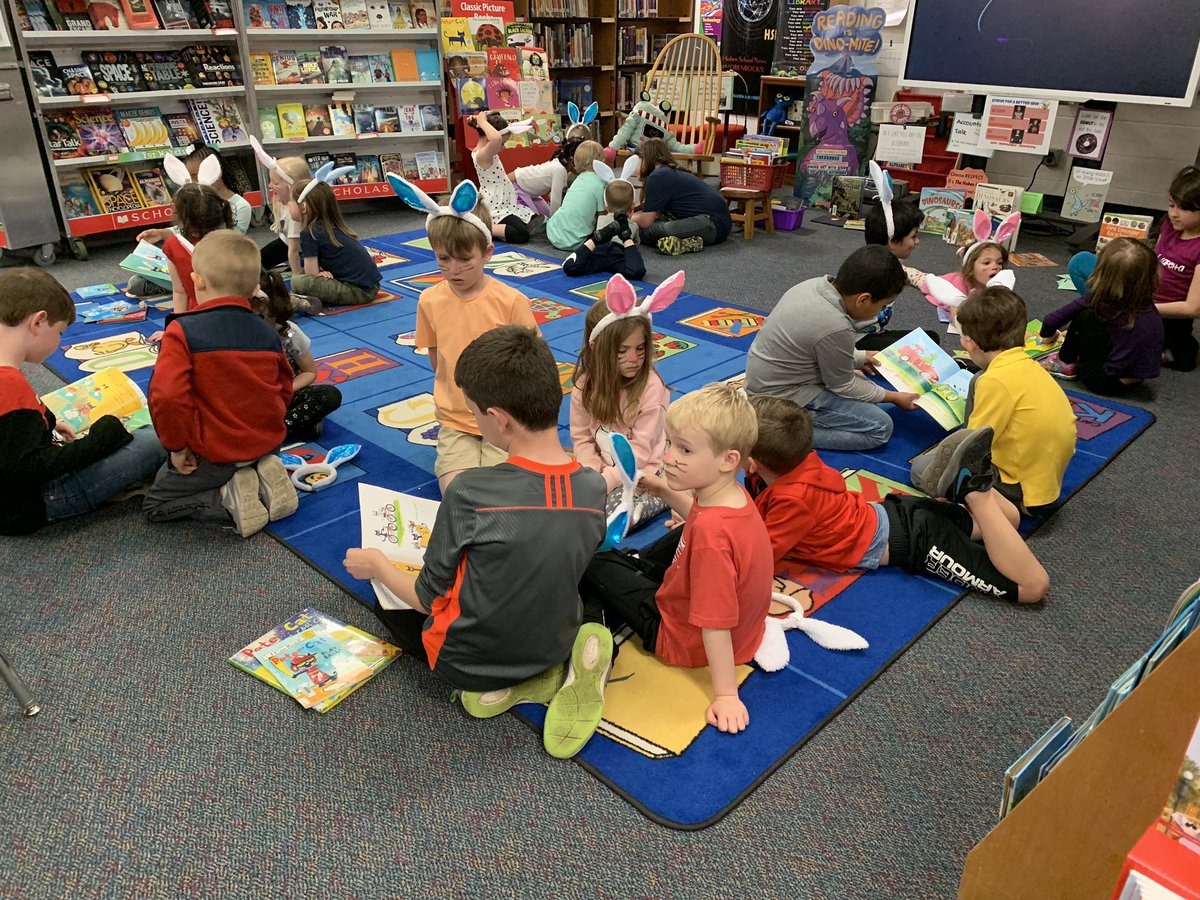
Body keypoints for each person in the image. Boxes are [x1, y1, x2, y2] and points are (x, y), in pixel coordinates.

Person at [343, 326, 611, 760]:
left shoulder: (469, 492)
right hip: (551, 643)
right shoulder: (594, 487)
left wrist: (376, 565)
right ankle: (559, 666)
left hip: (466, 663)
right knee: (585, 590)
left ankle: (501, 683)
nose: (473, 423)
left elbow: (427, 599)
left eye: (474, 414)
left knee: (386, 601)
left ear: (500, 418)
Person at [579, 383, 774, 734]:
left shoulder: (712, 542)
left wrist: (726, 695)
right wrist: (664, 490)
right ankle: (627, 570)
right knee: (656, 545)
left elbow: (715, 623)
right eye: (668, 443)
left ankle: (595, 629)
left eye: (684, 449)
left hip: (676, 637)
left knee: (588, 558)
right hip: (718, 612)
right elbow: (697, 522)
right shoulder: (728, 494)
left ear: (728, 459)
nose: (668, 457)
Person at [746, 395, 1049, 604]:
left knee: (1032, 587)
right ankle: (963, 487)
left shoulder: (791, 501)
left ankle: (974, 490)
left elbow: (757, 558)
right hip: (899, 511)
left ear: (751, 461)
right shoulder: (796, 461)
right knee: (1008, 520)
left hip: (917, 541)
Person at [142, 231, 298, 538]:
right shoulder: (267, 331)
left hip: (214, 453)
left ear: (197, 281)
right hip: (267, 442)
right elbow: (284, 387)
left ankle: (227, 498)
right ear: (255, 287)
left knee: (155, 505)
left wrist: (176, 447)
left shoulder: (181, 330)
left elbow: (167, 398)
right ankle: (260, 468)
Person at [0, 268, 165, 535]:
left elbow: (11, 433)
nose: (59, 341)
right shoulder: (8, 384)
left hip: (15, 496)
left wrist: (48, 422)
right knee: (154, 440)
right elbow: (27, 469)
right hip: (32, 504)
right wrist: (100, 439)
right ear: (38, 322)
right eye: (60, 332)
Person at [912, 286, 1076, 514]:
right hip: (1045, 483)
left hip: (1019, 490)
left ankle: (980, 502)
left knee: (920, 469)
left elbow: (975, 440)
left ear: (968, 343)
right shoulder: (1029, 366)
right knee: (977, 378)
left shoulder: (995, 382)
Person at [415, 190, 537, 492]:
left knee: (501, 494)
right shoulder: (429, 300)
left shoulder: (511, 301)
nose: (453, 269)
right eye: (443, 258)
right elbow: (436, 357)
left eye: (464, 259)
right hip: (456, 420)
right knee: (457, 494)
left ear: (487, 252)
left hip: (505, 419)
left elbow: (533, 361)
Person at [744, 245, 919, 451]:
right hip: (778, 402)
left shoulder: (814, 285)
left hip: (766, 384)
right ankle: (775, 436)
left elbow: (815, 348)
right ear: (863, 299)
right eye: (882, 307)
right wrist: (895, 397)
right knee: (880, 427)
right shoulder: (836, 325)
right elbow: (844, 386)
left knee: (865, 387)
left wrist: (861, 357)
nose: (880, 313)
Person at [570, 272, 679, 531]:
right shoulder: (585, 386)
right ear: (598, 349)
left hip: (645, 473)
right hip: (604, 470)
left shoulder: (650, 387)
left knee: (604, 524)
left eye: (640, 349)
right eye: (623, 351)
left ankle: (672, 494)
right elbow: (582, 438)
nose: (634, 358)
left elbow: (640, 454)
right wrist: (590, 468)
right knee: (561, 504)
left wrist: (603, 482)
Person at [1038, 237, 1163, 394]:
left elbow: (1052, 320)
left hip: (1104, 382)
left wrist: (1048, 336)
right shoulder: (1147, 304)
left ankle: (1064, 364)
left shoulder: (1099, 300)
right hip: (1135, 382)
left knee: (1085, 317)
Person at [251, 269, 343, 441]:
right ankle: (297, 425)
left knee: (328, 395)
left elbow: (309, 372)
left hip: (283, 395)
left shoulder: (288, 333)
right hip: (251, 401)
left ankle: (274, 432)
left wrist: (285, 390)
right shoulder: (235, 334)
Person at [288, 178, 382, 308]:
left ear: (303, 207)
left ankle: (305, 302)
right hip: (370, 287)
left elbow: (310, 277)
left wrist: (316, 274)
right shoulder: (328, 227)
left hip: (359, 291)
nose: (288, 205)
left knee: (298, 281)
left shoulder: (309, 232)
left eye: (291, 202)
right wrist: (320, 272)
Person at [631, 138, 732, 256]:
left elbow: (646, 221)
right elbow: (656, 214)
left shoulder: (657, 176)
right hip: (715, 224)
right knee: (656, 225)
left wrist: (628, 217)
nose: (635, 167)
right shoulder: (666, 173)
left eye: (639, 160)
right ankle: (687, 243)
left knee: (652, 230)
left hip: (712, 223)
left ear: (646, 158)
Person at [562, 170, 646, 280]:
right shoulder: (634, 225)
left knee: (570, 267)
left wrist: (596, 240)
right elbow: (635, 250)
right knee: (636, 271)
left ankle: (597, 238)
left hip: (600, 250)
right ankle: (625, 235)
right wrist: (627, 240)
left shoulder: (601, 218)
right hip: (618, 255)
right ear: (632, 208)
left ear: (606, 207)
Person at [470, 111, 537, 243]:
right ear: (488, 139)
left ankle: (498, 230)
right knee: (521, 235)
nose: (503, 147)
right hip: (496, 206)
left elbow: (496, 138)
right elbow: (496, 139)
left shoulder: (487, 151)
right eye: (503, 143)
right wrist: (482, 122)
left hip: (506, 203)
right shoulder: (482, 155)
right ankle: (482, 228)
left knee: (532, 221)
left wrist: (485, 119)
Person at [922, 237, 1011, 329]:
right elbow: (957, 320)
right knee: (920, 279)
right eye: (987, 263)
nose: (996, 267)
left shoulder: (999, 283)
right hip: (942, 281)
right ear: (971, 268)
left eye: (999, 263)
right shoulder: (958, 286)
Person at [546, 141, 608, 250]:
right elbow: (601, 216)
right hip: (576, 240)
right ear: (602, 162)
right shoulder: (601, 183)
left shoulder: (577, 180)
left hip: (554, 233)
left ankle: (548, 225)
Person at [510, 135, 584, 216]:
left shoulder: (561, 168)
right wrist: (556, 222)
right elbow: (555, 200)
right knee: (534, 219)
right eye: (580, 161)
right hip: (518, 187)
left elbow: (551, 196)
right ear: (571, 159)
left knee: (547, 217)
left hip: (531, 192)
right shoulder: (560, 169)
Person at [260, 156, 311, 273]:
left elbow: (293, 250)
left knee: (255, 268)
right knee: (253, 262)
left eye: (275, 182)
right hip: (284, 242)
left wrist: (297, 276)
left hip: (289, 247)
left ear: (291, 186)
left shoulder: (294, 215)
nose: (269, 185)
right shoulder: (285, 201)